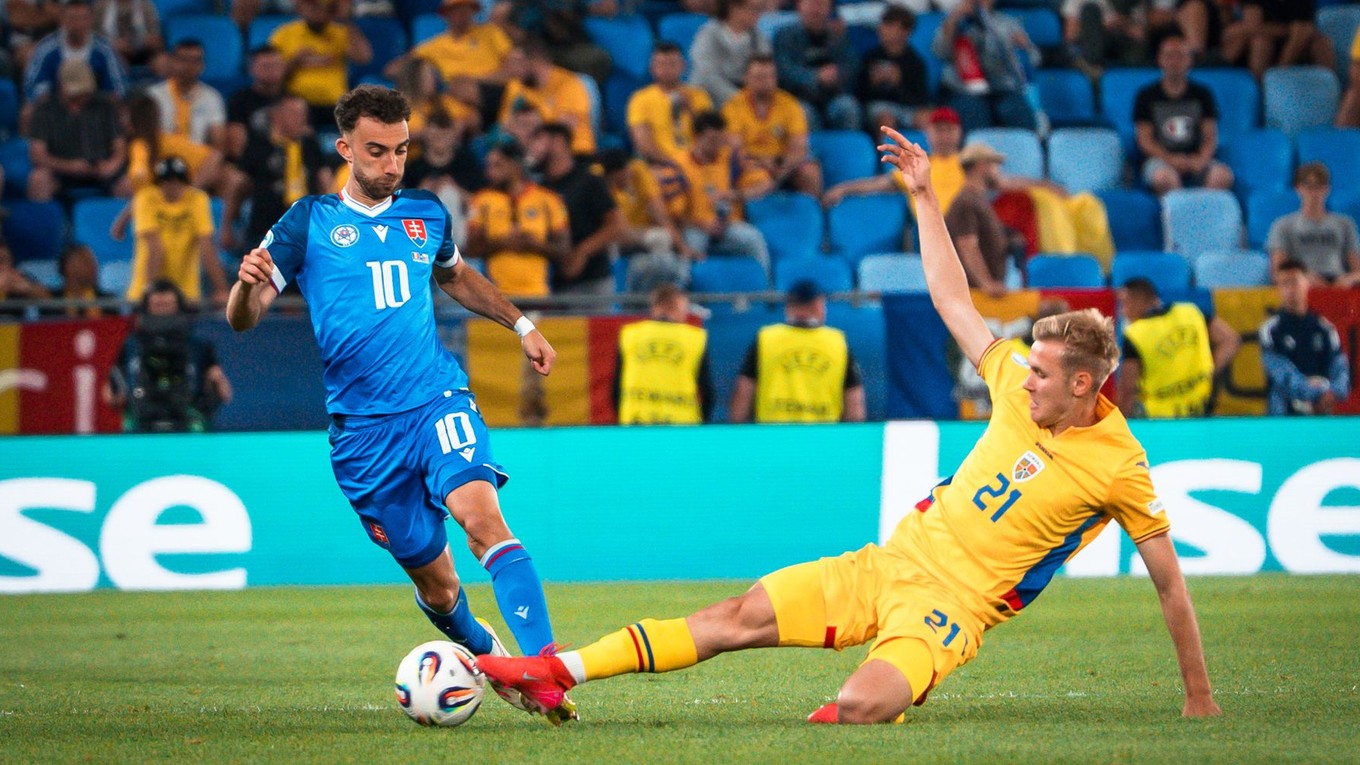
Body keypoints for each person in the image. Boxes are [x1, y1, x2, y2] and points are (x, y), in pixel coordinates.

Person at [475, 127, 1222, 726]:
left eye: (1043, 374)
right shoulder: (1012, 379)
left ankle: (888, 689)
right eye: (1028, 366)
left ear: (1084, 385)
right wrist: (924, 195)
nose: (1024, 377)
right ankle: (557, 669)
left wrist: (1198, 694)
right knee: (736, 614)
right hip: (889, 562)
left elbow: (1169, 584)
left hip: (950, 610)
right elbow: (952, 299)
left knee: (861, 705)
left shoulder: (1118, 464)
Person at [225, 85, 577, 723]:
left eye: (402, 150)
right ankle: (491, 654)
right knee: (439, 588)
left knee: (482, 521)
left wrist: (522, 324)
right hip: (363, 438)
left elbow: (455, 275)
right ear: (345, 149)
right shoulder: (308, 222)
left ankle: (546, 670)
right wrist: (247, 287)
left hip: (436, 400)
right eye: (377, 151)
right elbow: (242, 319)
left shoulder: (425, 212)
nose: (392, 164)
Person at [728, 280, 866, 424]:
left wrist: (738, 431)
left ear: (788, 306)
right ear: (818, 304)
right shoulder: (837, 342)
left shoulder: (766, 339)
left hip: (772, 432)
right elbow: (854, 405)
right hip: (824, 433)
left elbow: (743, 394)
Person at [106, 278, 232, 432]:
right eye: (157, 305)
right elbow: (112, 389)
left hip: (188, 416)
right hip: (142, 418)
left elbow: (222, 389)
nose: (162, 312)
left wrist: (215, 385)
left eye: (167, 305)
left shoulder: (198, 346)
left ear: (179, 307)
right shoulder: (132, 345)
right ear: (146, 308)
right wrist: (116, 394)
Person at [661, 110, 773, 279]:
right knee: (690, 250)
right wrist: (702, 224)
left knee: (754, 239)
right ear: (697, 137)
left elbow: (766, 184)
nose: (717, 146)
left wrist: (735, 195)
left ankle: (766, 288)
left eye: (721, 140)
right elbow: (674, 214)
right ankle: (682, 289)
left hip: (729, 225)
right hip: (695, 227)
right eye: (712, 140)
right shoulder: (676, 166)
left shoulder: (732, 158)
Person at [1117, 277, 1239, 418]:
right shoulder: (1190, 312)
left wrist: (1119, 423)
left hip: (1159, 418)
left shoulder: (1135, 334)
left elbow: (1128, 389)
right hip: (1201, 408)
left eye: (1124, 304)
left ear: (1139, 300)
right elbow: (1230, 340)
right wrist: (1208, 372)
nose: (1122, 312)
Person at [227, 95, 334, 254]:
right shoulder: (259, 144)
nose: (302, 119)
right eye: (294, 113)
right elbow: (238, 184)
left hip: (305, 230)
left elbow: (324, 180)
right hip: (265, 230)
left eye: (304, 114)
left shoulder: (310, 144)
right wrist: (227, 225)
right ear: (277, 116)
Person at [465, 139, 571, 298]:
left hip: (539, 297)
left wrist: (534, 245)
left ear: (515, 166)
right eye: (488, 166)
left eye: (497, 165)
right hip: (496, 298)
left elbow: (564, 250)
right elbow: (471, 249)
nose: (489, 173)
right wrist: (501, 242)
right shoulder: (481, 200)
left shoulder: (548, 200)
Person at [1134, 33, 1233, 196]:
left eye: (1180, 56)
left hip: (1196, 157)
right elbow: (1145, 140)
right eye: (1169, 56)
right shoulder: (1146, 96)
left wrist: (1200, 160)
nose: (1174, 61)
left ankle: (1202, 207)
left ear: (1190, 61)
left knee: (1222, 176)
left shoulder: (1203, 94)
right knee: (1163, 178)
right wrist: (1170, 159)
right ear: (1160, 59)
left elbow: (1210, 136)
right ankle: (1178, 209)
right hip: (1161, 160)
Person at [532, 122, 621, 299]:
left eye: (539, 140)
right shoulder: (538, 188)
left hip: (593, 280)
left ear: (558, 142)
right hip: (554, 284)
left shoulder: (589, 181)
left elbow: (615, 225)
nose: (534, 147)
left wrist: (582, 252)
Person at [127, 155, 228, 307]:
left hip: (186, 294)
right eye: (166, 182)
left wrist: (221, 288)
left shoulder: (197, 199)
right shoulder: (146, 199)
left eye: (176, 181)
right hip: (147, 291)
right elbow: (155, 249)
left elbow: (206, 247)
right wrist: (151, 293)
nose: (171, 186)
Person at [25, 59, 129, 203]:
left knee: (127, 183)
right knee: (38, 179)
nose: (80, 97)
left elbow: (120, 146)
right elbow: (37, 154)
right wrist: (70, 166)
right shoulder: (45, 109)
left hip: (100, 169)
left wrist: (112, 165)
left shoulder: (105, 106)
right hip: (60, 170)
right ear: (61, 85)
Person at [1260, 260, 1351, 416]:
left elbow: (1340, 370)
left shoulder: (1325, 329)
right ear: (1278, 288)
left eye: (1294, 281)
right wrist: (1316, 391)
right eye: (1284, 283)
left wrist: (1332, 392)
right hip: (1284, 415)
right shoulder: (1271, 330)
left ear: (1306, 282)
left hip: (1321, 411)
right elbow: (1280, 373)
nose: (1290, 289)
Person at [931, 0, 1039, 131]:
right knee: (974, 111)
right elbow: (940, 52)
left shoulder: (1007, 23)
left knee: (1017, 111)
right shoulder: (953, 21)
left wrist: (1024, 46)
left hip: (1002, 88)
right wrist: (954, 19)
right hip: (963, 89)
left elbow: (1035, 58)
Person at [723, 54, 822, 197]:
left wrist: (782, 167)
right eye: (759, 77)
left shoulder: (790, 105)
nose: (765, 82)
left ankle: (814, 209)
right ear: (746, 79)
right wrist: (764, 162)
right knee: (758, 177)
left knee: (810, 172)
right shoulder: (732, 107)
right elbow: (736, 149)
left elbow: (799, 147)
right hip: (752, 163)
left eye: (770, 77)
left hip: (783, 163)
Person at [614, 284, 713, 425]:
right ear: (678, 308)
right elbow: (708, 392)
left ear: (654, 306)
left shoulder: (630, 335)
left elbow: (616, 389)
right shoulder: (694, 338)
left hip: (635, 423)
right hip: (682, 425)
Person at [268, 0, 373, 128]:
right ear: (300, 7)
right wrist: (295, 62)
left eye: (323, 6)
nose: (317, 10)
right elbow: (271, 74)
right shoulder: (284, 33)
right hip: (299, 104)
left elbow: (364, 58)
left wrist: (346, 21)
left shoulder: (341, 32)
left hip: (335, 103)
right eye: (312, 5)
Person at [1265, 163, 1360, 287]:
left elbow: (1357, 269)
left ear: (1327, 189)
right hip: (1301, 284)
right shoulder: (1283, 226)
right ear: (1298, 188)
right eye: (1309, 187)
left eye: (1319, 187)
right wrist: (1304, 277)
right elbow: (1277, 272)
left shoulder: (1345, 224)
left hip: (1338, 284)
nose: (1314, 193)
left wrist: (1349, 279)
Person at [772, 0, 862, 131]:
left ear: (829, 8)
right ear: (799, 6)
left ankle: (848, 143)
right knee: (804, 112)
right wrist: (816, 76)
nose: (815, 10)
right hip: (799, 96)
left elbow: (852, 65)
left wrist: (838, 74)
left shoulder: (837, 35)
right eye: (811, 4)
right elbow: (784, 70)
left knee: (848, 107)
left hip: (833, 95)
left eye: (821, 4)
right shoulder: (785, 35)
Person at [496, 38, 595, 156]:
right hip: (529, 155)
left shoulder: (569, 85)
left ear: (535, 61)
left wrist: (531, 124)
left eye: (517, 63)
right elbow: (504, 125)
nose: (513, 71)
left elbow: (563, 130)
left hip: (574, 154)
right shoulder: (515, 85)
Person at [945, 142, 1017, 297]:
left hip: (978, 294)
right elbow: (967, 246)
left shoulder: (976, 200)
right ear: (981, 166)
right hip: (974, 295)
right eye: (994, 165)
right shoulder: (966, 202)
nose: (998, 171)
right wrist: (986, 284)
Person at [22, 0, 127, 104]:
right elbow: (33, 84)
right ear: (63, 20)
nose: (78, 24)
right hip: (56, 108)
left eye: (83, 18)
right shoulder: (46, 49)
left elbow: (117, 87)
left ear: (90, 20)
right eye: (73, 18)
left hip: (95, 108)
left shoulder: (104, 50)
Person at [627, 42, 714, 164]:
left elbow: (711, 136)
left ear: (683, 66)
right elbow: (643, 142)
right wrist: (672, 164)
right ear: (652, 68)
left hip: (698, 163)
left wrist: (690, 109)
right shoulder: (640, 99)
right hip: (659, 164)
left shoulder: (699, 96)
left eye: (672, 64)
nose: (667, 69)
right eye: (661, 64)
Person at [146, 38, 228, 152]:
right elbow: (144, 138)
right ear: (172, 62)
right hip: (162, 155)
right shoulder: (153, 95)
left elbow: (218, 142)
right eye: (183, 60)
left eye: (195, 61)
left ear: (202, 65)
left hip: (198, 157)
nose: (189, 66)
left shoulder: (212, 97)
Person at [857, 5, 930, 132]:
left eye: (890, 25)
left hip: (906, 108)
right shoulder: (871, 57)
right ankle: (884, 145)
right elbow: (859, 95)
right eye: (883, 24)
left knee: (926, 118)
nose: (882, 29)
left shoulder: (915, 62)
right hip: (877, 106)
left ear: (905, 31)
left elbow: (920, 100)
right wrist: (873, 83)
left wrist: (898, 83)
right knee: (886, 120)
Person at [1220, 0, 1333, 80]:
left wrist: (1283, 64)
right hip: (1264, 41)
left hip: (1293, 43)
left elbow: (1303, 31)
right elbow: (1253, 27)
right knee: (1261, 42)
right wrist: (1290, 30)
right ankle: (1261, 92)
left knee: (1321, 43)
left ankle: (1330, 90)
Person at [689, 0, 770, 106]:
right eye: (754, 8)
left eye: (760, 9)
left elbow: (765, 68)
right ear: (734, 8)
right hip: (709, 97)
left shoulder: (758, 37)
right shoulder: (709, 34)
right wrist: (738, 98)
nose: (758, 14)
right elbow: (707, 75)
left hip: (744, 98)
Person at [226, 45, 287, 160]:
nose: (272, 70)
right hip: (252, 163)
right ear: (252, 69)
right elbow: (235, 148)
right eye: (266, 66)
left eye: (276, 65)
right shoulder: (239, 101)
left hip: (287, 160)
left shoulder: (294, 101)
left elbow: (305, 139)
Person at [44, 241, 112, 318]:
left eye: (94, 262)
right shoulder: (50, 301)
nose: (94, 267)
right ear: (68, 267)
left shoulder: (109, 302)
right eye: (87, 262)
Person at [93, 0, 163, 73]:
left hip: (144, 51)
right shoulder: (101, 6)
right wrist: (112, 44)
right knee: (119, 64)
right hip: (112, 53)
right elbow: (93, 37)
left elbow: (156, 39)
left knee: (162, 63)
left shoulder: (145, 5)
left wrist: (147, 41)